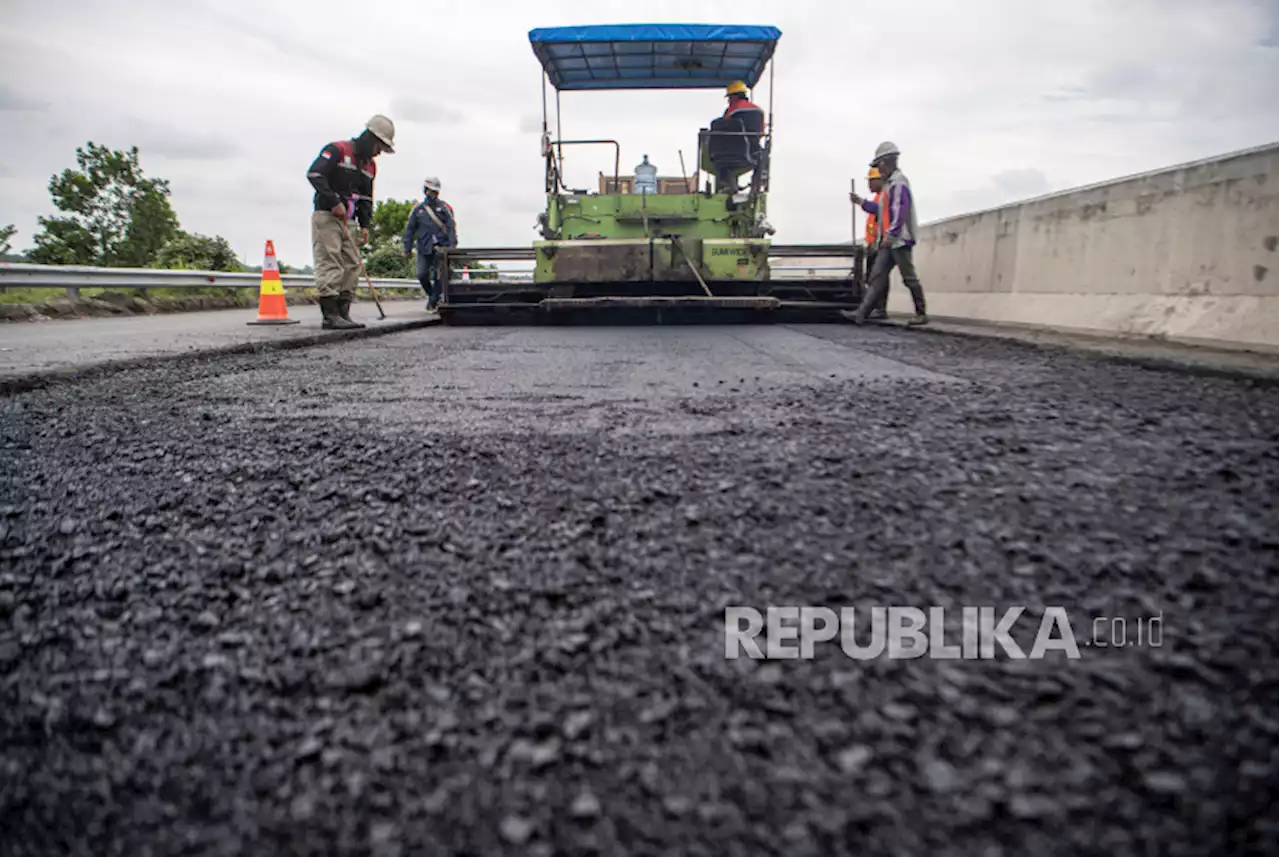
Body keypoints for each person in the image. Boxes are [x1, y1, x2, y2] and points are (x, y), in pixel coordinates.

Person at [306, 114, 396, 329]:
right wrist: (333, 200)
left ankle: (343, 311)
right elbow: (315, 174)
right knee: (331, 260)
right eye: (379, 146)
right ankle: (330, 315)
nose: (379, 152)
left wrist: (365, 224)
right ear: (370, 138)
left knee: (352, 264)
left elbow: (366, 198)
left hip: (351, 220)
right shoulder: (338, 150)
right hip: (328, 216)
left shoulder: (370, 166)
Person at [850, 141, 928, 325]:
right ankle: (861, 314)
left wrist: (891, 235)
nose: (879, 170)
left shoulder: (899, 183)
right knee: (877, 277)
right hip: (888, 240)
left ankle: (921, 313)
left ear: (887, 162)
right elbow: (881, 209)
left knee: (908, 277)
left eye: (879, 166)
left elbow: (900, 210)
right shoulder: (888, 186)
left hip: (899, 241)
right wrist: (861, 202)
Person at [403, 176, 457, 312]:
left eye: (435, 192)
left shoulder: (445, 208)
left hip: (441, 247)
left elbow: (451, 227)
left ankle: (433, 300)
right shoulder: (418, 209)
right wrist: (407, 248)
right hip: (424, 247)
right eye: (430, 191)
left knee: (441, 275)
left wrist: (452, 247)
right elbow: (410, 230)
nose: (432, 194)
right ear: (425, 190)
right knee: (421, 274)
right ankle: (432, 296)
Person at [708, 81, 766, 205]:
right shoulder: (759, 111)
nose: (728, 101)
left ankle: (731, 186)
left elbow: (724, 127)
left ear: (734, 96)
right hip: (753, 151)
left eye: (729, 98)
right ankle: (756, 187)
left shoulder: (733, 110)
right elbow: (761, 132)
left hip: (733, 151)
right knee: (762, 158)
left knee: (720, 163)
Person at [851, 167, 889, 319]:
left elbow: (877, 211)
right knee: (873, 277)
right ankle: (874, 309)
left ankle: (877, 309)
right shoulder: (878, 197)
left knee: (878, 277)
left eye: (872, 181)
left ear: (880, 180)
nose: (869, 185)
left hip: (883, 243)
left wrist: (860, 201)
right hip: (875, 243)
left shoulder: (884, 197)